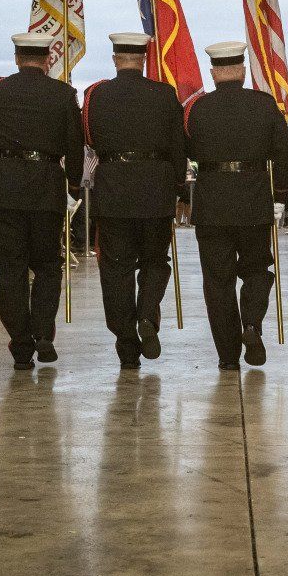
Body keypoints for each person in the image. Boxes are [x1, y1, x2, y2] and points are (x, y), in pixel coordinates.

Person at [82, 32, 187, 372]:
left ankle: (126, 343)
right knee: (156, 261)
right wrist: (177, 186)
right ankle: (146, 317)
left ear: (115, 59)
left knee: (116, 269)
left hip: (114, 190)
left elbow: (90, 139)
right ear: (143, 59)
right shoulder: (165, 94)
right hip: (156, 190)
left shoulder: (96, 95)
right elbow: (177, 147)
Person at [185, 41, 288, 371]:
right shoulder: (264, 105)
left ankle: (228, 356)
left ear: (214, 73)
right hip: (254, 201)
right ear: (243, 72)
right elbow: (284, 155)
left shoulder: (199, 108)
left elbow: (188, 151)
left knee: (217, 283)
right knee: (257, 270)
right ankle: (251, 324)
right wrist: (281, 199)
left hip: (212, 204)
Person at [0, 33, 83, 371]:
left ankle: (21, 342)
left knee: (9, 269)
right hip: (46, 187)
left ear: (16, 58)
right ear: (48, 59)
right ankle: (43, 331)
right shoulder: (63, 94)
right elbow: (74, 141)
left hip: (5, 187)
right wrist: (73, 183)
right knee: (46, 265)